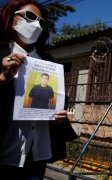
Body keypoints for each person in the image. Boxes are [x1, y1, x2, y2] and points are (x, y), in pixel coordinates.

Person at [0, 0, 76, 179]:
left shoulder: (49, 61)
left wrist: (59, 118)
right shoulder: (1, 54)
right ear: (12, 19)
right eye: (31, 17)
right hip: (5, 152)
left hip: (37, 154)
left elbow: (59, 102)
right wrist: (2, 78)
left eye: (41, 22)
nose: (36, 24)